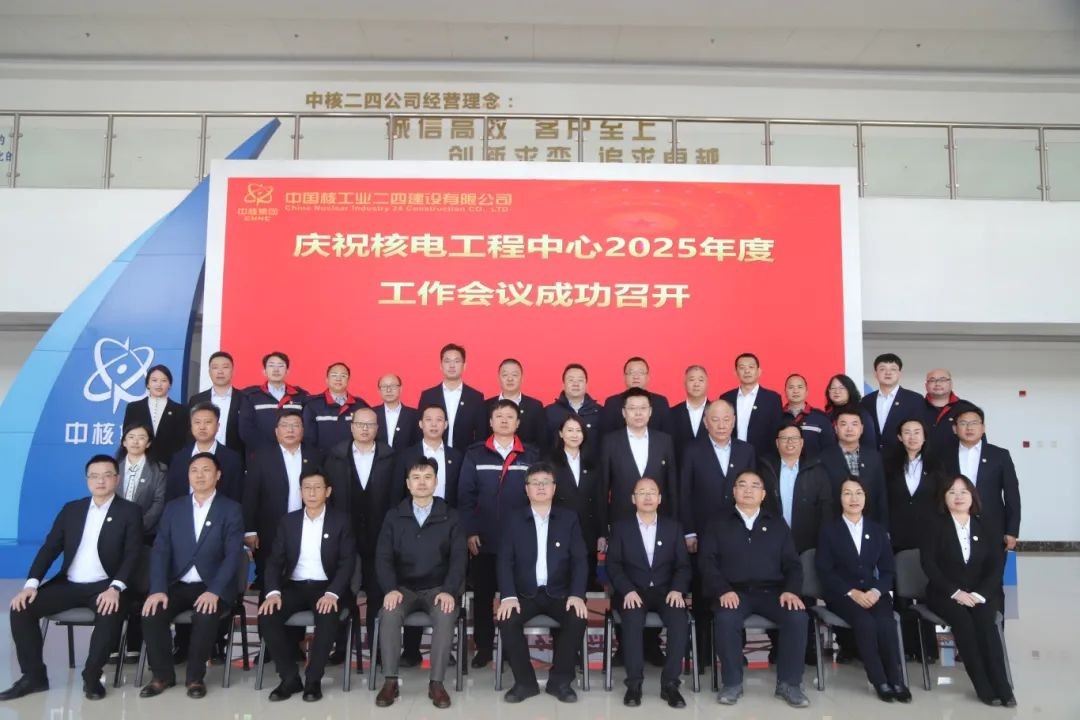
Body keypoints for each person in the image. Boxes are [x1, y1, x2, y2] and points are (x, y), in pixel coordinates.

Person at [0, 455, 143, 702]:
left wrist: (115, 587)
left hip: (105, 586)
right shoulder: (72, 509)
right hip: (68, 584)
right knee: (21, 608)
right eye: (94, 476)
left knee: (110, 611)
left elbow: (133, 554)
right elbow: (49, 548)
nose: (100, 481)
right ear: (87, 480)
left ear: (117, 479)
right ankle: (34, 677)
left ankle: (92, 676)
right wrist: (31, 584)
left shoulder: (129, 511)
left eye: (107, 475)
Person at [700, 470, 810, 708]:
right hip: (733, 592)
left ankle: (789, 684)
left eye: (754, 486)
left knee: (797, 617)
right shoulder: (717, 523)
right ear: (734, 492)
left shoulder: (777, 523)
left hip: (773, 593)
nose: (748, 490)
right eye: (742, 485)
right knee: (726, 619)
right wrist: (722, 590)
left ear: (763, 494)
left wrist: (791, 590)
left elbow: (793, 564)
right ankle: (732, 683)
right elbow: (707, 562)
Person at [139, 453, 244, 700]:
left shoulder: (231, 509)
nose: (200, 475)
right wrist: (157, 588)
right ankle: (162, 675)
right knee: (152, 613)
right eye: (194, 470)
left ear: (218, 475)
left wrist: (214, 591)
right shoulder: (174, 508)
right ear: (188, 476)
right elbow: (161, 551)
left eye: (206, 470)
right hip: (177, 584)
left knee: (205, 614)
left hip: (211, 585)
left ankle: (195, 678)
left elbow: (233, 556)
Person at [373, 458, 467, 710]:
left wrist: (449, 591)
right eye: (416, 477)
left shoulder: (450, 516)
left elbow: (459, 559)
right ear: (407, 483)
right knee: (389, 613)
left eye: (427, 477)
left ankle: (436, 683)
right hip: (403, 589)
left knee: (445, 615)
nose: (422, 483)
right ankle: (390, 681)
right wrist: (390, 588)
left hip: (438, 589)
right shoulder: (394, 516)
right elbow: (383, 557)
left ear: (436, 482)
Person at [258, 469, 355, 703]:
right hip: (294, 586)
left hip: (327, 587)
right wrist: (273, 593)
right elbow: (274, 562)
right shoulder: (289, 522)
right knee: (267, 616)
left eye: (317, 488)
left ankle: (313, 680)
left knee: (327, 617)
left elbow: (347, 563)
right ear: (300, 492)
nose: (312, 493)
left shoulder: (341, 521)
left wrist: (332, 593)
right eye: (307, 488)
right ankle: (289, 678)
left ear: (328, 491)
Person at [495, 462, 589, 704]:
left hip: (560, 593)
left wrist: (577, 594)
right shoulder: (513, 519)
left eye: (545, 483)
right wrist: (508, 595)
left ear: (554, 488)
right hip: (524, 594)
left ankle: (560, 682)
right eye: (535, 483)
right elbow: (504, 561)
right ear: (526, 489)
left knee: (577, 616)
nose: (540, 487)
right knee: (507, 619)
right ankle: (525, 683)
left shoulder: (568, 519)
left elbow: (580, 560)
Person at [920, 475, 1016, 707]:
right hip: (944, 593)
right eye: (952, 492)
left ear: (972, 496)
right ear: (944, 498)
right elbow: (929, 565)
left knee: (986, 624)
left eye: (964, 491)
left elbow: (996, 565)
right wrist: (955, 592)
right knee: (964, 624)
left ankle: (1002, 686)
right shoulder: (934, 525)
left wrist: (980, 594)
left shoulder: (987, 525)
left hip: (980, 593)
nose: (958, 496)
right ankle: (983, 686)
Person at [457, 399, 538, 668]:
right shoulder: (475, 454)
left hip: (520, 542)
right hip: (484, 539)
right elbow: (465, 496)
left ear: (518, 423)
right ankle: (483, 647)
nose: (504, 421)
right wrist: (470, 531)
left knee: (513, 596)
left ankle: (511, 648)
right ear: (490, 422)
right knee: (483, 597)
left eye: (509, 417)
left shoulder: (530, 455)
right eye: (499, 416)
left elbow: (537, 497)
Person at [815, 477, 911, 703]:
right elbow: (825, 571)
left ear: (865, 498)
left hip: (873, 593)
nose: (853, 498)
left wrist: (876, 591)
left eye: (858, 493)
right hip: (842, 595)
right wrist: (852, 592)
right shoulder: (829, 531)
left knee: (886, 623)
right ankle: (880, 681)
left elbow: (888, 570)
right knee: (866, 623)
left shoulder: (877, 530)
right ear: (840, 498)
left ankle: (896, 679)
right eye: (847, 493)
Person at [678, 399, 756, 666]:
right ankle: (702, 654)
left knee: (736, 591)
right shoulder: (692, 449)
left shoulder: (746, 450)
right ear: (706, 422)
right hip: (702, 534)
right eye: (715, 419)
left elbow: (752, 491)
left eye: (726, 419)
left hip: (737, 533)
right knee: (703, 592)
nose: (721, 425)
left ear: (733, 421)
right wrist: (689, 532)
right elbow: (684, 493)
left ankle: (735, 652)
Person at [323, 405, 400, 666]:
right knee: (343, 591)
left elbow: (396, 497)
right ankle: (340, 647)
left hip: (380, 538)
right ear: (352, 426)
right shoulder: (335, 456)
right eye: (360, 424)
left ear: (378, 428)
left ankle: (378, 649)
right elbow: (328, 498)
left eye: (370, 425)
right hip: (344, 537)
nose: (365, 429)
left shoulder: (390, 457)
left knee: (378, 593)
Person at [605, 477, 691, 708]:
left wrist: (677, 589)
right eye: (641, 492)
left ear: (660, 499)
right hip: (633, 591)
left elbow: (683, 566)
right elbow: (613, 565)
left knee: (679, 620)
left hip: (666, 591)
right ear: (633, 499)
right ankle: (634, 684)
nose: (647, 496)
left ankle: (670, 685)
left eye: (652, 492)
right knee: (632, 621)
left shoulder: (673, 527)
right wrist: (627, 590)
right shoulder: (621, 528)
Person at [884, 417, 943, 662]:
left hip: (928, 536)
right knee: (900, 593)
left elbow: (942, 501)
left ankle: (927, 648)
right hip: (896, 536)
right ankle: (905, 647)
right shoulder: (888, 464)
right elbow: (882, 499)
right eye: (906, 432)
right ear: (899, 437)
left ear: (925, 436)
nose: (912, 437)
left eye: (917, 432)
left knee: (925, 589)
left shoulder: (937, 465)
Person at [242, 410, 323, 584]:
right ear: (276, 431)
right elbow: (250, 494)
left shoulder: (315, 455)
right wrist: (250, 530)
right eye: (285, 425)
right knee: (268, 576)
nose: (290, 430)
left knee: (300, 575)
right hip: (270, 528)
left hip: (307, 526)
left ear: (303, 430)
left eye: (295, 425)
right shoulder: (261, 456)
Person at [945, 402, 1021, 554]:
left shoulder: (1000, 455)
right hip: (952, 524)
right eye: (963, 423)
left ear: (983, 428)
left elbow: (1012, 494)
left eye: (974, 423)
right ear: (955, 428)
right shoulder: (944, 456)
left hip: (992, 526)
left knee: (992, 567)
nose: (969, 428)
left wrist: (1012, 530)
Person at [756, 423, 833, 556]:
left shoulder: (816, 469)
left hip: (808, 546)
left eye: (794, 438)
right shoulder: (766, 469)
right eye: (784, 438)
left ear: (802, 443)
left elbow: (826, 508)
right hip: (772, 542)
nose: (790, 442)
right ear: (777, 443)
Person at [548, 414, 601, 590]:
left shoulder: (593, 463)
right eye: (569, 430)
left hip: (588, 527)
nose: (574, 434)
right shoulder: (549, 462)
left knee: (586, 580)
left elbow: (599, 498)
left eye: (579, 430)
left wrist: (602, 532)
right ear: (561, 434)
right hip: (558, 526)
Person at [820, 407, 889, 526]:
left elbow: (881, 494)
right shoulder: (824, 458)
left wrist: (884, 528)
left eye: (854, 424)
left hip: (869, 523)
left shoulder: (874, 457)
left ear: (861, 429)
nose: (849, 429)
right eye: (844, 424)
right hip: (835, 524)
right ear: (836, 429)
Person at [166, 402, 243, 502]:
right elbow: (171, 496)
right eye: (197, 422)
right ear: (191, 426)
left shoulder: (232, 459)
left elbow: (236, 496)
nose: (202, 427)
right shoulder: (179, 458)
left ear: (218, 426)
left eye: (208, 422)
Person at [417, 343, 487, 450]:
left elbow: (481, 433)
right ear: (441, 366)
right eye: (447, 361)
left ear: (464, 366)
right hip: (433, 454)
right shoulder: (428, 396)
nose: (452, 365)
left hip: (465, 456)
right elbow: (420, 430)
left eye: (457, 361)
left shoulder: (475, 397)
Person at [239, 351, 309, 452]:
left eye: (280, 366)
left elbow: (307, 426)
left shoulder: (300, 395)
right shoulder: (251, 396)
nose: (276, 370)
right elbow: (245, 429)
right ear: (264, 371)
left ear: (287, 371)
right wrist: (265, 450)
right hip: (260, 453)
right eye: (271, 365)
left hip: (293, 452)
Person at [718, 353, 784, 458]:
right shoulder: (726, 398)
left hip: (763, 458)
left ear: (759, 371)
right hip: (731, 456)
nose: (747, 371)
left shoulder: (772, 399)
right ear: (735, 372)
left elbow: (777, 431)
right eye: (742, 368)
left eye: (751, 367)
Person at [123, 364, 187, 466]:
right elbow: (127, 436)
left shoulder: (180, 410)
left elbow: (182, 441)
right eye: (154, 380)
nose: (159, 384)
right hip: (139, 462)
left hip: (170, 463)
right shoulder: (134, 408)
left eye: (164, 381)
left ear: (170, 384)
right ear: (148, 384)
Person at [860, 353, 925, 453]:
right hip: (872, 456)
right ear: (875, 374)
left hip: (902, 456)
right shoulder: (866, 400)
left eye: (893, 369)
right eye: (882, 369)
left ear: (899, 373)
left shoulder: (914, 399)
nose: (888, 373)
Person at [187, 351, 245, 457]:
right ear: (209, 372)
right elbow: (189, 431)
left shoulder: (244, 399)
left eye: (225, 367)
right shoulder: (197, 400)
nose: (220, 371)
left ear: (233, 371)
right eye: (215, 367)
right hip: (202, 457)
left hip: (235, 457)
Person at [302, 362, 369, 452]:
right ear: (327, 380)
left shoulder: (360, 406)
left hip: (353, 458)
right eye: (334, 375)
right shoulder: (313, 406)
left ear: (348, 380)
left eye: (343, 376)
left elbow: (369, 435)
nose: (338, 379)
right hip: (323, 459)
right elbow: (308, 439)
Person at [486, 358, 549, 451]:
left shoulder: (535, 407)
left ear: (522, 378)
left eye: (514, 375)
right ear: (499, 378)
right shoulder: (486, 406)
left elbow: (542, 442)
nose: (510, 379)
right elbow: (481, 440)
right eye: (505, 375)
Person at [116, 423, 167, 538]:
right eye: (131, 437)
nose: (135, 441)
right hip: (115, 530)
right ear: (124, 442)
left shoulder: (159, 469)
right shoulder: (113, 468)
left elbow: (159, 502)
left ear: (148, 443)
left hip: (145, 534)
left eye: (141, 438)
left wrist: (138, 526)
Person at [601, 356, 672, 436]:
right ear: (624, 377)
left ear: (647, 377)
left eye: (640, 373)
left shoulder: (661, 402)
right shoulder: (612, 403)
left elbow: (668, 435)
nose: (636, 377)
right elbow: (606, 436)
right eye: (631, 373)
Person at [545, 363, 603, 451]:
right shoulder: (549, 412)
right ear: (563, 384)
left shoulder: (600, 412)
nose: (576, 384)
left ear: (586, 384)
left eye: (580, 380)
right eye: (571, 380)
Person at [782, 374, 837, 458]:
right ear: (785, 391)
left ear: (807, 391)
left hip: (815, 466)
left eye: (800, 387)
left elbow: (830, 449)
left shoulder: (820, 418)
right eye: (791, 387)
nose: (795, 391)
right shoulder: (776, 416)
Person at [823, 374, 877, 450]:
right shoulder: (827, 413)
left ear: (850, 390)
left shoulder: (860, 413)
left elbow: (869, 443)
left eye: (842, 388)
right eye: (833, 388)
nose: (837, 391)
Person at [670, 364, 709, 461]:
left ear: (707, 383)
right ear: (684, 383)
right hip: (680, 465)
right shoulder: (672, 413)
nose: (696, 384)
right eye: (692, 380)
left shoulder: (716, 411)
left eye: (701, 380)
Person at [373, 374, 420, 451]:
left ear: (400, 389)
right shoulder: (372, 414)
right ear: (379, 391)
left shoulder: (414, 415)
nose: (388, 390)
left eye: (393, 386)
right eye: (384, 387)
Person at [923, 369, 966, 452]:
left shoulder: (966, 409)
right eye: (932, 380)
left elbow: (978, 440)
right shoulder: (915, 407)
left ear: (951, 384)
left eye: (942, 380)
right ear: (926, 385)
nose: (938, 384)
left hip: (957, 458)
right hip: (923, 459)